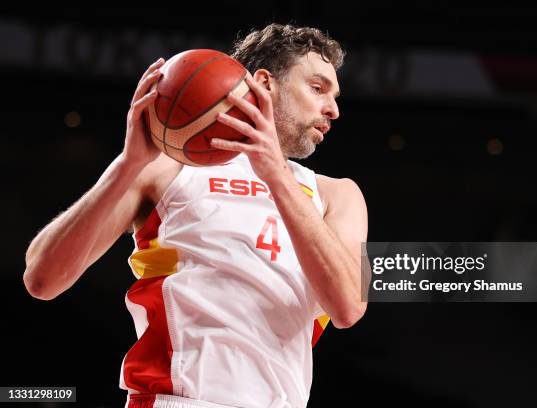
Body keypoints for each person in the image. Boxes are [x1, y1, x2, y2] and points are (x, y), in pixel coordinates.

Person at [23, 23, 368, 408]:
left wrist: (274, 175)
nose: (333, 110)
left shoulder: (337, 195)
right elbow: (42, 279)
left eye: (335, 96)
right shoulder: (164, 169)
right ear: (264, 84)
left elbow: (348, 308)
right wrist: (128, 163)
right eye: (318, 88)